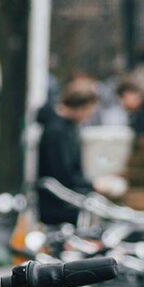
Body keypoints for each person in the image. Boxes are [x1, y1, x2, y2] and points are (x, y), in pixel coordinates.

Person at [34, 77, 97, 228]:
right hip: (59, 205)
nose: (88, 117)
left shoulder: (63, 128)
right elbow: (63, 172)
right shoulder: (57, 132)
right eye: (88, 112)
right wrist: (92, 185)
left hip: (60, 202)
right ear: (81, 107)